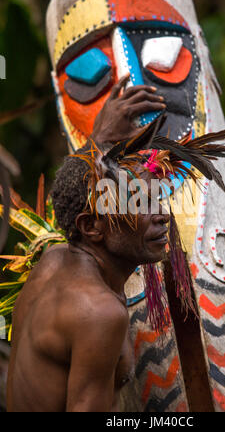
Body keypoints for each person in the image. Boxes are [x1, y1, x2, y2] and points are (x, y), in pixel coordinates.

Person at [6, 78, 169, 413]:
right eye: (139, 203)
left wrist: (98, 141)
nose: (163, 216)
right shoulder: (99, 313)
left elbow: (73, 198)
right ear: (92, 227)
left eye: (157, 199)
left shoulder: (52, 260)